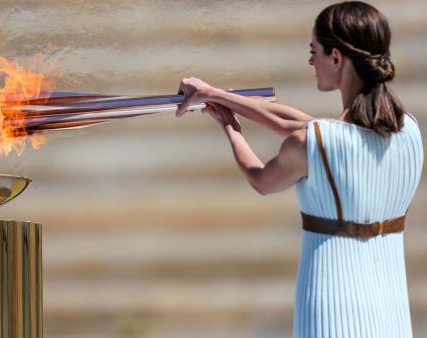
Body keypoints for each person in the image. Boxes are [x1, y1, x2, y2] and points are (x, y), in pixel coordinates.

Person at [176, 1, 423, 337]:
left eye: (314, 51)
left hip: (331, 301)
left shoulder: (315, 142)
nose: (310, 61)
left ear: (336, 58)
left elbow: (262, 180)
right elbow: (306, 127)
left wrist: (229, 125)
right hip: (390, 301)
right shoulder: (408, 130)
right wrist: (217, 95)